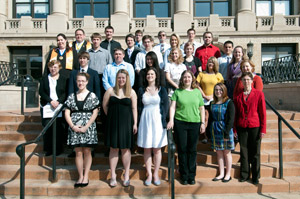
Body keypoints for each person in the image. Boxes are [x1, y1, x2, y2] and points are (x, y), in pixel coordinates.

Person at [167, 70, 205, 185]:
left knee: (192, 150)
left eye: (189, 77)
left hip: (195, 123)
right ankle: (184, 175)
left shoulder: (197, 92)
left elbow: (202, 108)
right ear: (182, 79)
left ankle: (191, 175)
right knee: (182, 149)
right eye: (185, 77)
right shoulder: (177, 92)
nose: (187, 79)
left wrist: (203, 122)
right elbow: (173, 107)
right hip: (180, 123)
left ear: (192, 79)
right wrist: (171, 120)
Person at [102, 69, 138, 187]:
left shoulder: (132, 92)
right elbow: (104, 105)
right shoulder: (110, 91)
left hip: (127, 123)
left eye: (123, 78)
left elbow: (134, 109)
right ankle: (113, 175)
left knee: (126, 149)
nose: (121, 80)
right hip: (113, 123)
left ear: (127, 79)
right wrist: (111, 116)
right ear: (116, 78)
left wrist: (135, 123)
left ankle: (126, 175)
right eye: (119, 78)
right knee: (113, 148)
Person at [64, 72, 100, 188]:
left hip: (88, 128)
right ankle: (80, 176)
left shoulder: (92, 95)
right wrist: (72, 126)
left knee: (87, 151)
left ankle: (86, 176)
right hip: (74, 127)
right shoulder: (71, 96)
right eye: (79, 81)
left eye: (83, 81)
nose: (80, 83)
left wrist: (87, 126)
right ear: (76, 82)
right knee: (78, 152)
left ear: (87, 82)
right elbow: (67, 112)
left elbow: (95, 112)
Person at [137, 68, 169, 186]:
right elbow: (139, 107)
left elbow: (166, 106)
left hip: (157, 121)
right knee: (147, 148)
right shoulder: (141, 90)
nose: (150, 76)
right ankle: (149, 174)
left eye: (152, 74)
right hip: (145, 120)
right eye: (148, 74)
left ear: (156, 76)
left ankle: (156, 173)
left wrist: (165, 121)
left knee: (157, 149)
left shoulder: (162, 90)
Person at [234, 72, 266, 185]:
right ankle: (244, 174)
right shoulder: (238, 97)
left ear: (252, 81)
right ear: (241, 82)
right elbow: (236, 114)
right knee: (244, 151)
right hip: (242, 126)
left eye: (248, 79)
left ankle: (256, 175)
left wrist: (263, 129)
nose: (246, 82)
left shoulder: (258, 94)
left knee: (255, 152)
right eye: (244, 80)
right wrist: (234, 129)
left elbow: (262, 113)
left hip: (255, 126)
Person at [39, 60, 67, 156]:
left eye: (55, 67)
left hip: (59, 107)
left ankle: (58, 149)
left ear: (59, 68)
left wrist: (58, 101)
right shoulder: (44, 79)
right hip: (47, 106)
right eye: (51, 67)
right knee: (48, 128)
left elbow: (65, 93)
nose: (53, 69)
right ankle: (49, 149)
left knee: (58, 129)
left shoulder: (64, 79)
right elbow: (41, 92)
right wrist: (51, 101)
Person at [209, 83, 235, 183]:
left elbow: (231, 119)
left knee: (227, 152)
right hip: (215, 129)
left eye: (220, 90)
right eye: (216, 90)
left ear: (224, 91)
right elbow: (211, 118)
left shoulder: (229, 102)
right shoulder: (212, 103)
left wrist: (227, 132)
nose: (218, 92)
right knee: (219, 152)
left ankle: (228, 174)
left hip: (225, 129)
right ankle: (221, 173)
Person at [196, 56, 224, 143]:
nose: (210, 64)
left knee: (214, 118)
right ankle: (205, 136)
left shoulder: (218, 75)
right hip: (203, 99)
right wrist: (204, 95)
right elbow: (197, 85)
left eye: (212, 62)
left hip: (215, 99)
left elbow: (221, 87)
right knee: (205, 117)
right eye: (209, 62)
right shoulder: (201, 74)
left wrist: (212, 96)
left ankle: (214, 136)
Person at [88, 32, 113, 98]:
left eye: (97, 39)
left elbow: (110, 66)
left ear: (100, 41)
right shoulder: (88, 53)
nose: (96, 41)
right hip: (90, 77)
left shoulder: (106, 52)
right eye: (94, 39)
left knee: (102, 95)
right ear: (92, 40)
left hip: (102, 76)